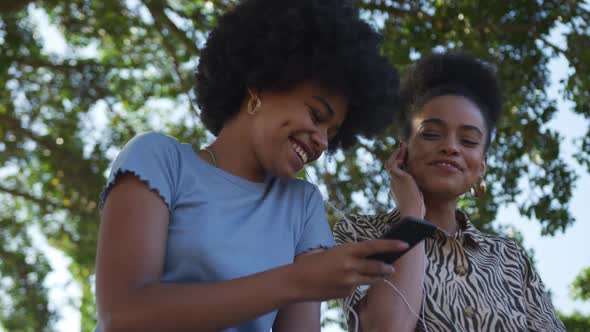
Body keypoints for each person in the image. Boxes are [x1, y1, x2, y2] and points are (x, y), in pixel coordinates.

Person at [94, 0, 407, 331]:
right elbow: (123, 316)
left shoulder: (302, 205)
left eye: (332, 133)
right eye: (316, 116)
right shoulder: (159, 159)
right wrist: (297, 280)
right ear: (261, 84)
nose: (323, 142)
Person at [333, 52, 566, 332]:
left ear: (482, 165)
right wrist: (411, 220)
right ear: (402, 150)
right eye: (431, 134)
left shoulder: (510, 258)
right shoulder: (360, 234)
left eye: (468, 140)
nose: (451, 147)